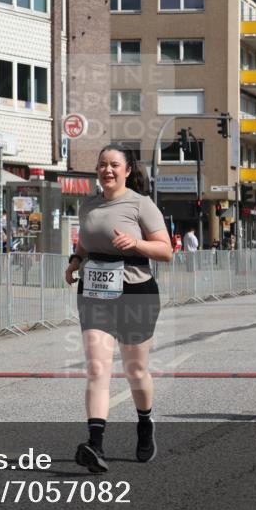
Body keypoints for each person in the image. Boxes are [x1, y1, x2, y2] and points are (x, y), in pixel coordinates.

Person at [64, 143, 173, 473]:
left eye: (114, 165)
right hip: (94, 291)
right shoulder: (89, 205)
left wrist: (136, 243)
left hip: (135, 291)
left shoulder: (141, 205)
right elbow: (86, 239)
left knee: (134, 369)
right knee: (97, 368)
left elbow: (166, 250)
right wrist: (75, 261)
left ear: (127, 170)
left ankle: (144, 423)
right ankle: (95, 445)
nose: (107, 170)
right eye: (102, 165)